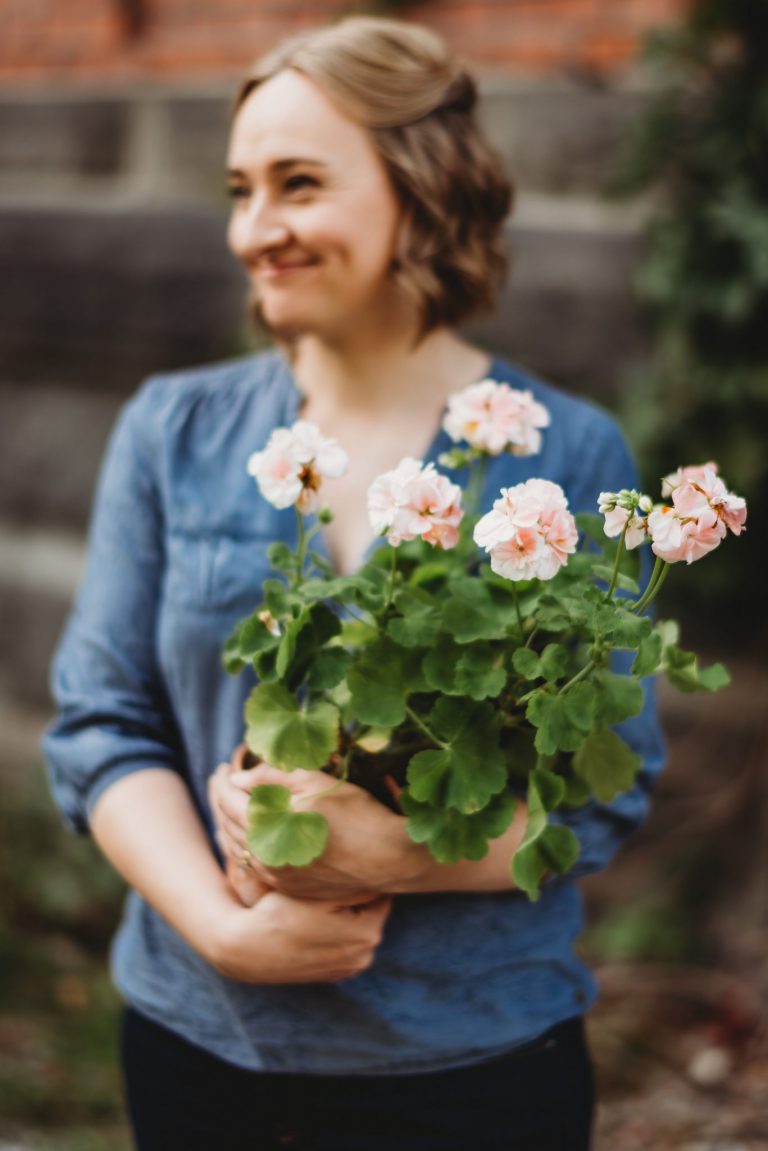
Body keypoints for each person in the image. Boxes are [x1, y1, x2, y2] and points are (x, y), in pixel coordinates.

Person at [44, 16, 665, 1151]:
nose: (255, 229)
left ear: (422, 197)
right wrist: (220, 931)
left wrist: (398, 855)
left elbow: (604, 793)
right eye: (240, 189)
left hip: (472, 1058)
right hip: (200, 1045)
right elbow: (102, 727)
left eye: (298, 184)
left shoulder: (566, 454)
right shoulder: (173, 429)